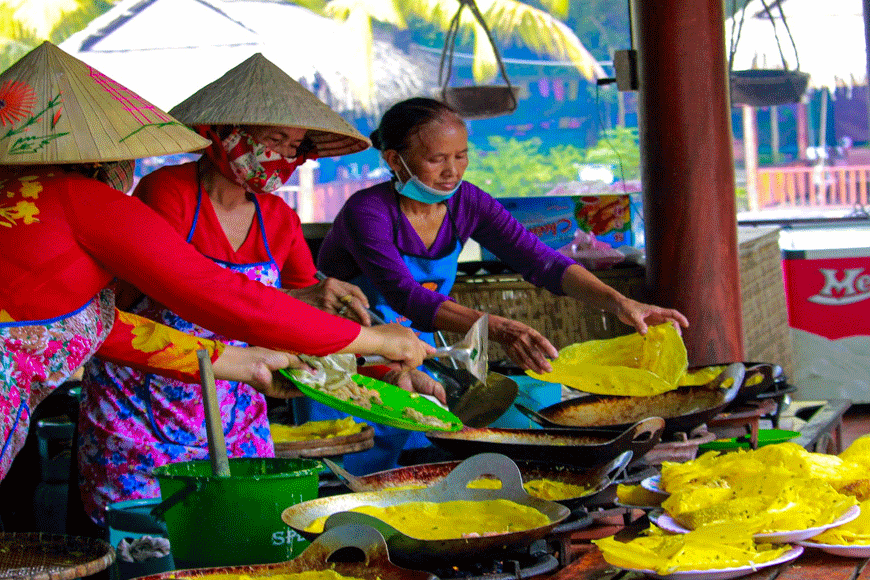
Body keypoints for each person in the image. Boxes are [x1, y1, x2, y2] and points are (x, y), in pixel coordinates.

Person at [0, 43, 430, 487]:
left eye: (292, 146)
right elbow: (215, 294)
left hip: (229, 405)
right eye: (271, 141)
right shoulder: (92, 198)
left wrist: (238, 363)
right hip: (142, 411)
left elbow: (103, 326)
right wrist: (372, 338)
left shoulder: (25, 203)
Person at [316, 97, 689, 472]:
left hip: (414, 355)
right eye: (437, 159)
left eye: (461, 156)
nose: (453, 171)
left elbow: (541, 260)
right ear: (395, 160)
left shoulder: (468, 203)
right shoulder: (368, 211)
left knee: (412, 468)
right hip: (343, 356)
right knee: (344, 468)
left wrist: (620, 303)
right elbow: (405, 295)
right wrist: (500, 328)